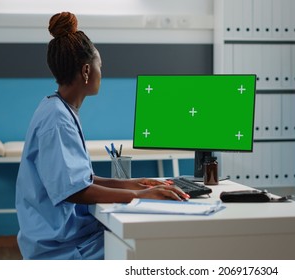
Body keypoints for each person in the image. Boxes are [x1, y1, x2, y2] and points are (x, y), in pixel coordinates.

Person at [15, 12, 189, 260]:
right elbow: (74, 191)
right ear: (87, 70)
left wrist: (134, 183)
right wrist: (139, 197)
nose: (101, 73)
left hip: (66, 237)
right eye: (100, 66)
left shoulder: (57, 108)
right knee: (157, 251)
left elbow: (81, 180)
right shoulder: (58, 120)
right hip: (62, 248)